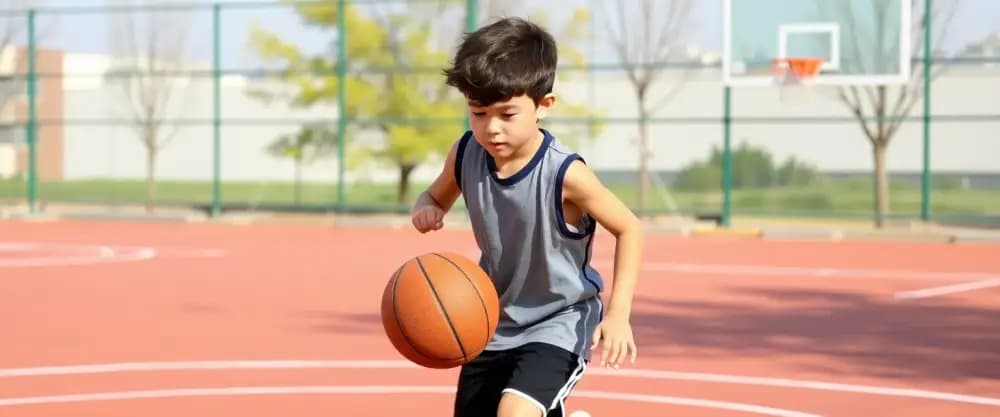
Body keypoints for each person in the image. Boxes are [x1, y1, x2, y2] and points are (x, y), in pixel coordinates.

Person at [410, 16, 643, 417]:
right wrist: (427, 207)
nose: (491, 128)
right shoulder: (466, 154)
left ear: (543, 106)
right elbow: (434, 194)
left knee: (516, 413)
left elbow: (629, 227)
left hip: (558, 320)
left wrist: (619, 315)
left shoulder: (565, 174)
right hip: (490, 322)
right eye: (478, 112)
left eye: (506, 114)